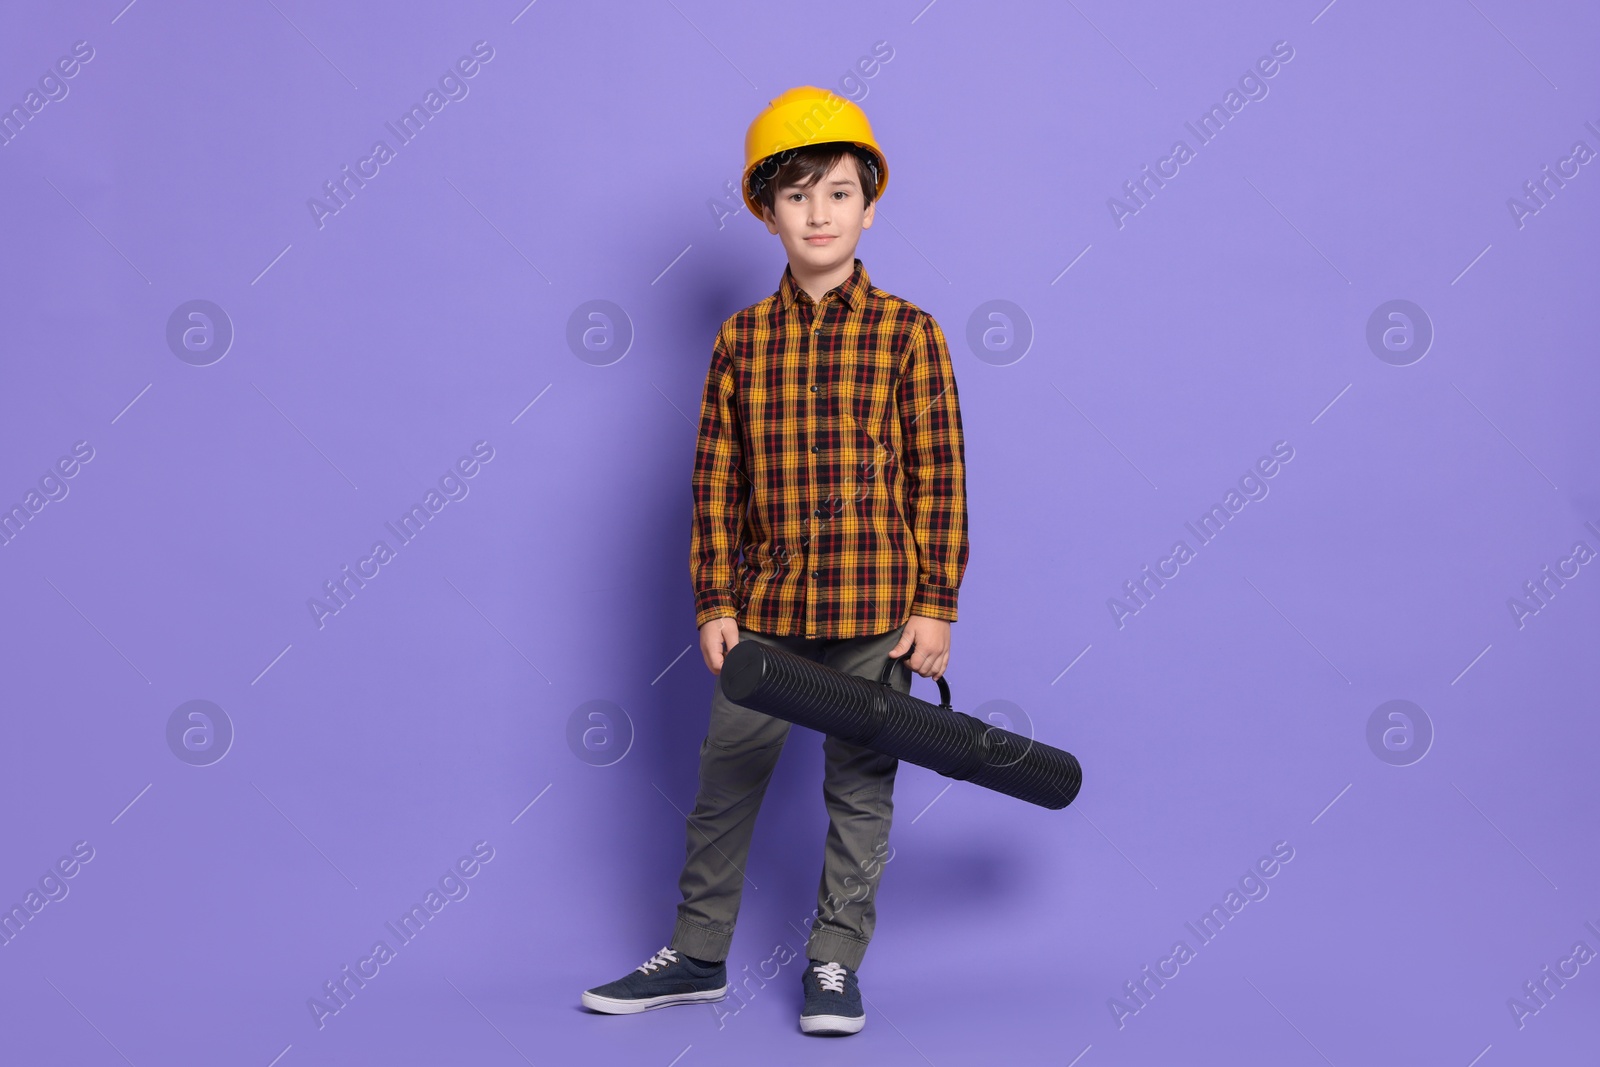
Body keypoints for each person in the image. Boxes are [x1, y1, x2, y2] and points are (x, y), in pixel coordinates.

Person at [581, 85, 969, 1036]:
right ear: (767, 212)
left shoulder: (910, 333)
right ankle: (700, 953)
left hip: (880, 607)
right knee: (726, 782)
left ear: (869, 204)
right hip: (768, 614)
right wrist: (716, 600)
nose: (820, 213)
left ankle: (834, 963)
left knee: (860, 794)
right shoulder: (740, 342)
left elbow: (940, 475)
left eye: (838, 192)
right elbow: (715, 480)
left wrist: (937, 605)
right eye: (798, 196)